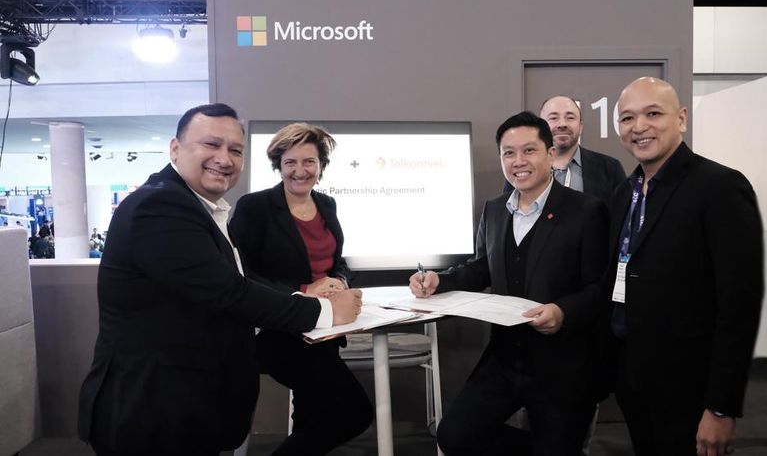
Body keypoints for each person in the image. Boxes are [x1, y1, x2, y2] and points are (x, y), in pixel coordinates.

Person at [77, 103, 363, 456]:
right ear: (175, 149)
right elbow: (229, 291)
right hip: (153, 409)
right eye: (211, 144)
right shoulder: (160, 206)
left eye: (235, 150)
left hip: (186, 402)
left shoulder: (200, 207)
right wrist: (325, 310)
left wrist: (337, 285)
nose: (224, 159)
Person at [411, 111, 609, 455]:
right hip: (505, 358)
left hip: (562, 364)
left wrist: (563, 312)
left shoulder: (587, 211)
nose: (518, 161)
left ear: (550, 153)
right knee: (455, 436)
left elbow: (600, 288)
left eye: (529, 150)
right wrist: (439, 280)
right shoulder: (495, 211)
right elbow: (480, 269)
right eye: (508, 153)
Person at [602, 77, 763, 456]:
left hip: (690, 389)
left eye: (653, 114)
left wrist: (721, 406)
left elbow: (739, 305)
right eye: (627, 118)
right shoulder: (624, 193)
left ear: (682, 119)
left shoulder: (720, 187)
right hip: (633, 380)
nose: (639, 126)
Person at [230, 123, 373, 456]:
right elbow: (241, 273)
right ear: (278, 166)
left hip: (326, 329)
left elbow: (337, 262)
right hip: (280, 333)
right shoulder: (255, 207)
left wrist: (340, 281)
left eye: (309, 161)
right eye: (290, 162)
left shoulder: (327, 205)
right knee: (353, 412)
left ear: (321, 165)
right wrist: (305, 289)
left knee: (313, 418)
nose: (300, 170)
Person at [504, 94, 625, 203]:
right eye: (553, 118)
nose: (562, 124)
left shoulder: (609, 168)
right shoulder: (522, 170)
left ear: (581, 126)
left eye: (570, 118)